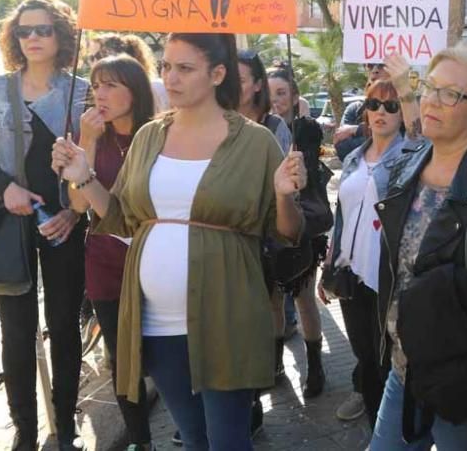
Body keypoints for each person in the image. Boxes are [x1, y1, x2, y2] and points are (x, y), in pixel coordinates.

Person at [51, 33, 306, 451]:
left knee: (227, 442)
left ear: (217, 74)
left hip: (227, 317)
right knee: (193, 440)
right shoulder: (151, 136)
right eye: (166, 66)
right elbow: (121, 219)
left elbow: (288, 232)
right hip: (157, 323)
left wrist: (283, 194)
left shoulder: (255, 141)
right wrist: (83, 173)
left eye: (185, 68)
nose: (170, 77)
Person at [368, 45, 467, 450]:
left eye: (450, 94)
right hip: (405, 364)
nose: (431, 100)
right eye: (430, 87)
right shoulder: (410, 161)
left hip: (463, 377)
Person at [0, 0, 89, 451]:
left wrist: (74, 214)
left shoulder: (82, 91)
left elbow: (91, 163)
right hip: (8, 224)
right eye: (24, 31)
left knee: (63, 322)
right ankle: (24, 429)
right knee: (16, 330)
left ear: (61, 34)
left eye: (43, 29)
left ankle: (66, 425)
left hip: (65, 224)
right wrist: (6, 188)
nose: (33, 38)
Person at [63, 54, 156, 450]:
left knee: (167, 351)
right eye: (96, 85)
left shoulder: (158, 136)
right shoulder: (87, 135)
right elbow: (79, 205)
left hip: (152, 259)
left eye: (111, 85)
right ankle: (140, 439)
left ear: (134, 92)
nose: (99, 93)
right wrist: (86, 142)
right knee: (122, 360)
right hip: (104, 259)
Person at [322, 74, 414, 426]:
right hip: (350, 272)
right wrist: (330, 265)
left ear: (402, 113)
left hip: (386, 277)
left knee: (386, 358)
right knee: (363, 353)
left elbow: (422, 138)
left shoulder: (410, 156)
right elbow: (342, 215)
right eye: (373, 104)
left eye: (391, 106)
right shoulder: (354, 159)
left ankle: (389, 429)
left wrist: (406, 91)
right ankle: (376, 424)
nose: (381, 112)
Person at [236, 49, 293, 437]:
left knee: (263, 313)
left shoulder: (274, 127)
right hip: (228, 240)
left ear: (257, 84)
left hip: (265, 239)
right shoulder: (210, 123)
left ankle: (258, 387)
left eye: (241, 79)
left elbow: (285, 189)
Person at [267, 67, 330, 397]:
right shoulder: (258, 128)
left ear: (294, 96)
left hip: (304, 222)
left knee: (304, 298)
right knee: (275, 300)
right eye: (270, 93)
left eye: (282, 93)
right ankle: (276, 362)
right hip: (273, 228)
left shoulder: (306, 129)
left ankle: (315, 366)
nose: (276, 100)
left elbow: (316, 163)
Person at [87, 33, 168, 111]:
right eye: (91, 58)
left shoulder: (155, 88)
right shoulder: (92, 92)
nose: (94, 62)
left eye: (98, 56)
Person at [334, 62, 392, 160]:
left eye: (382, 65)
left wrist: (356, 130)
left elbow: (398, 141)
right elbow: (342, 148)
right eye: (370, 65)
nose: (375, 70)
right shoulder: (354, 109)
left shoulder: (404, 108)